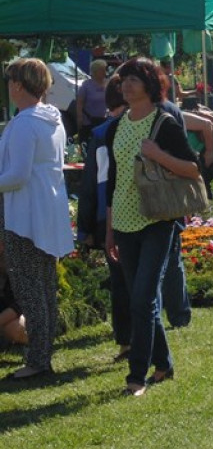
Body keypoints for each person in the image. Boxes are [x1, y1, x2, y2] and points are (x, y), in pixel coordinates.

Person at [105, 57, 200, 397]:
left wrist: (158, 155)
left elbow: (193, 168)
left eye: (133, 79)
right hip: (126, 222)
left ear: (149, 83)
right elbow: (114, 180)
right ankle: (164, 363)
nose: (126, 85)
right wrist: (110, 228)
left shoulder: (164, 122)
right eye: (123, 79)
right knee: (139, 297)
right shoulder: (117, 126)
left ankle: (136, 377)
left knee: (143, 297)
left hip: (159, 219)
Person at [0, 59, 73, 381]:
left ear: (17, 85)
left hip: (25, 216)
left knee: (31, 292)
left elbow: (16, 175)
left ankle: (38, 360)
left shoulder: (25, 123)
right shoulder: (52, 119)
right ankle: (42, 355)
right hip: (46, 211)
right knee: (43, 289)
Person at [76, 75, 133, 361]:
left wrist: (84, 228)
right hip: (141, 212)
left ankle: (126, 342)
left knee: (120, 282)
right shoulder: (142, 126)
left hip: (107, 216)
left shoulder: (100, 134)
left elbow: (89, 187)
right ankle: (145, 339)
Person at [0, 240, 28, 347]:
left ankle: (34, 342)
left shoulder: (17, 261)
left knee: (15, 328)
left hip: (16, 314)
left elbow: (21, 303)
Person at [76, 58, 109, 147]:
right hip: (89, 122)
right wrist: (79, 118)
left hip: (104, 121)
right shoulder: (86, 85)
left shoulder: (108, 83)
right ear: (95, 71)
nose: (104, 71)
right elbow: (79, 102)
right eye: (102, 69)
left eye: (105, 69)